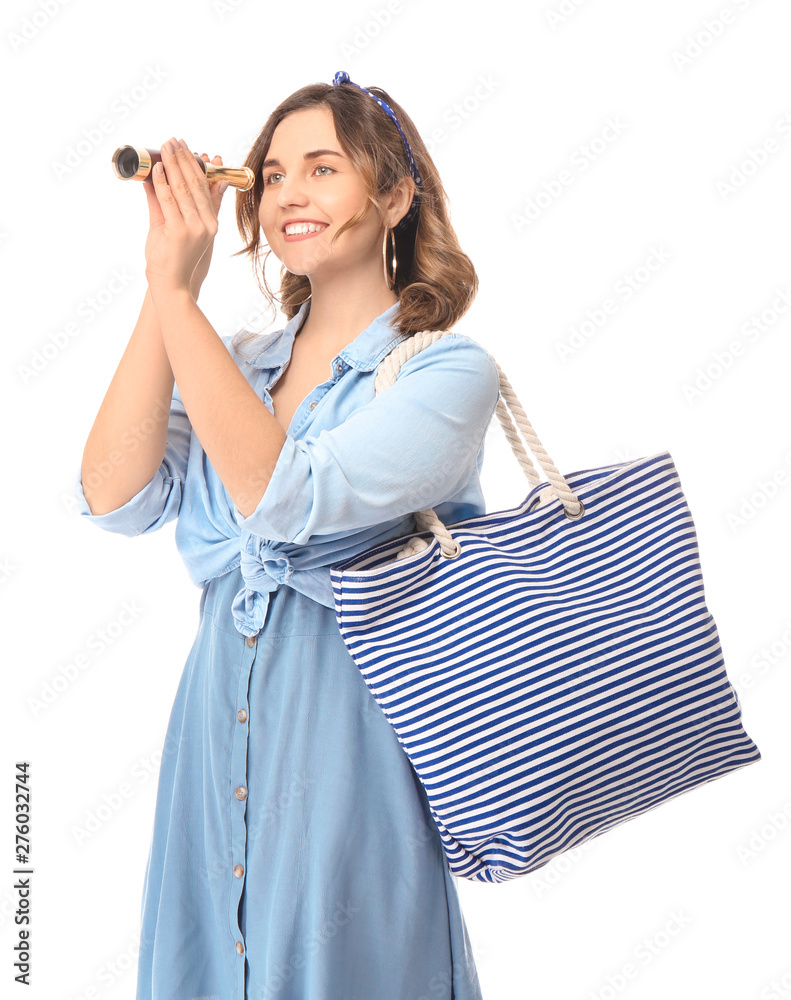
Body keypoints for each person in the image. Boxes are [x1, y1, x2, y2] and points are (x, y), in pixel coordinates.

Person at [75, 71, 500, 1000]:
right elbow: (112, 495)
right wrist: (165, 292)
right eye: (271, 175)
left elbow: (283, 496)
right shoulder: (234, 363)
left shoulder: (443, 372)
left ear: (396, 195)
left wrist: (179, 303)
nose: (289, 195)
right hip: (210, 739)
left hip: (354, 748)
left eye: (323, 168)